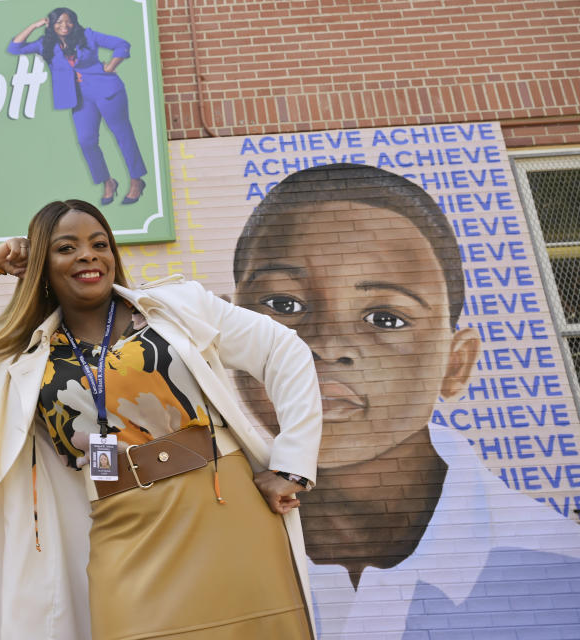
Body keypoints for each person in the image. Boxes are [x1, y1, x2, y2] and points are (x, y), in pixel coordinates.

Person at [0, 199, 322, 639]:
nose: (88, 255)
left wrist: (291, 465)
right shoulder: (19, 352)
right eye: (67, 247)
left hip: (222, 505)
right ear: (41, 263)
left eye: (98, 243)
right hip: (119, 521)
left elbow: (284, 351)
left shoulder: (177, 307)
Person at [232, 163, 580, 638]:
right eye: (284, 305)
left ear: (455, 364)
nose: (327, 344)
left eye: (385, 318)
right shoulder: (191, 545)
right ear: (225, 339)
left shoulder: (560, 565)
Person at [8, 8, 147, 206]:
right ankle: (107, 182)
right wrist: (34, 25)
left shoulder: (87, 36)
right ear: (51, 24)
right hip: (80, 99)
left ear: (74, 22)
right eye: (58, 22)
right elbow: (15, 48)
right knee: (86, 141)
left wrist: (111, 66)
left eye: (68, 21)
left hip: (107, 91)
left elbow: (122, 45)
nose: (64, 25)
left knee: (123, 136)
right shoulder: (44, 44)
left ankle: (136, 181)